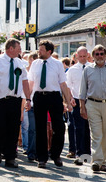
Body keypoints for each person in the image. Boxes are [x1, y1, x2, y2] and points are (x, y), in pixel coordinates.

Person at [28, 40, 73, 168]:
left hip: (54, 96)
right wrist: (28, 99)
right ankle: (41, 158)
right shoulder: (35, 64)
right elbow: (31, 83)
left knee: (59, 127)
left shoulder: (58, 64)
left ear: (49, 51)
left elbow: (63, 84)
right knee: (40, 128)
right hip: (39, 96)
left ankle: (56, 154)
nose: (39, 52)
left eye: (41, 50)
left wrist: (68, 102)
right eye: (39, 49)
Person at [0, 39, 30, 168]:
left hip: (15, 99)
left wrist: (28, 99)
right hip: (0, 100)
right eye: (18, 48)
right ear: (11, 48)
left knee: (14, 129)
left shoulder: (20, 63)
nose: (20, 50)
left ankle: (10, 157)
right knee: (0, 128)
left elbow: (25, 81)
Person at [79, 44, 106, 172]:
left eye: (101, 54)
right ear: (93, 56)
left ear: (105, 55)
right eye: (97, 54)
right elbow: (82, 91)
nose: (99, 56)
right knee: (96, 133)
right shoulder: (87, 70)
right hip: (92, 103)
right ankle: (97, 161)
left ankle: (103, 161)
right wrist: (82, 107)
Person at [65, 46, 91, 165]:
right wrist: (70, 99)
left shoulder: (92, 68)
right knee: (79, 128)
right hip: (76, 100)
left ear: (88, 56)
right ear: (76, 56)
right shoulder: (72, 70)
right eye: (80, 56)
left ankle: (88, 154)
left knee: (88, 128)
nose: (82, 59)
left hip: (90, 101)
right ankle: (80, 153)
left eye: (84, 56)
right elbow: (68, 86)